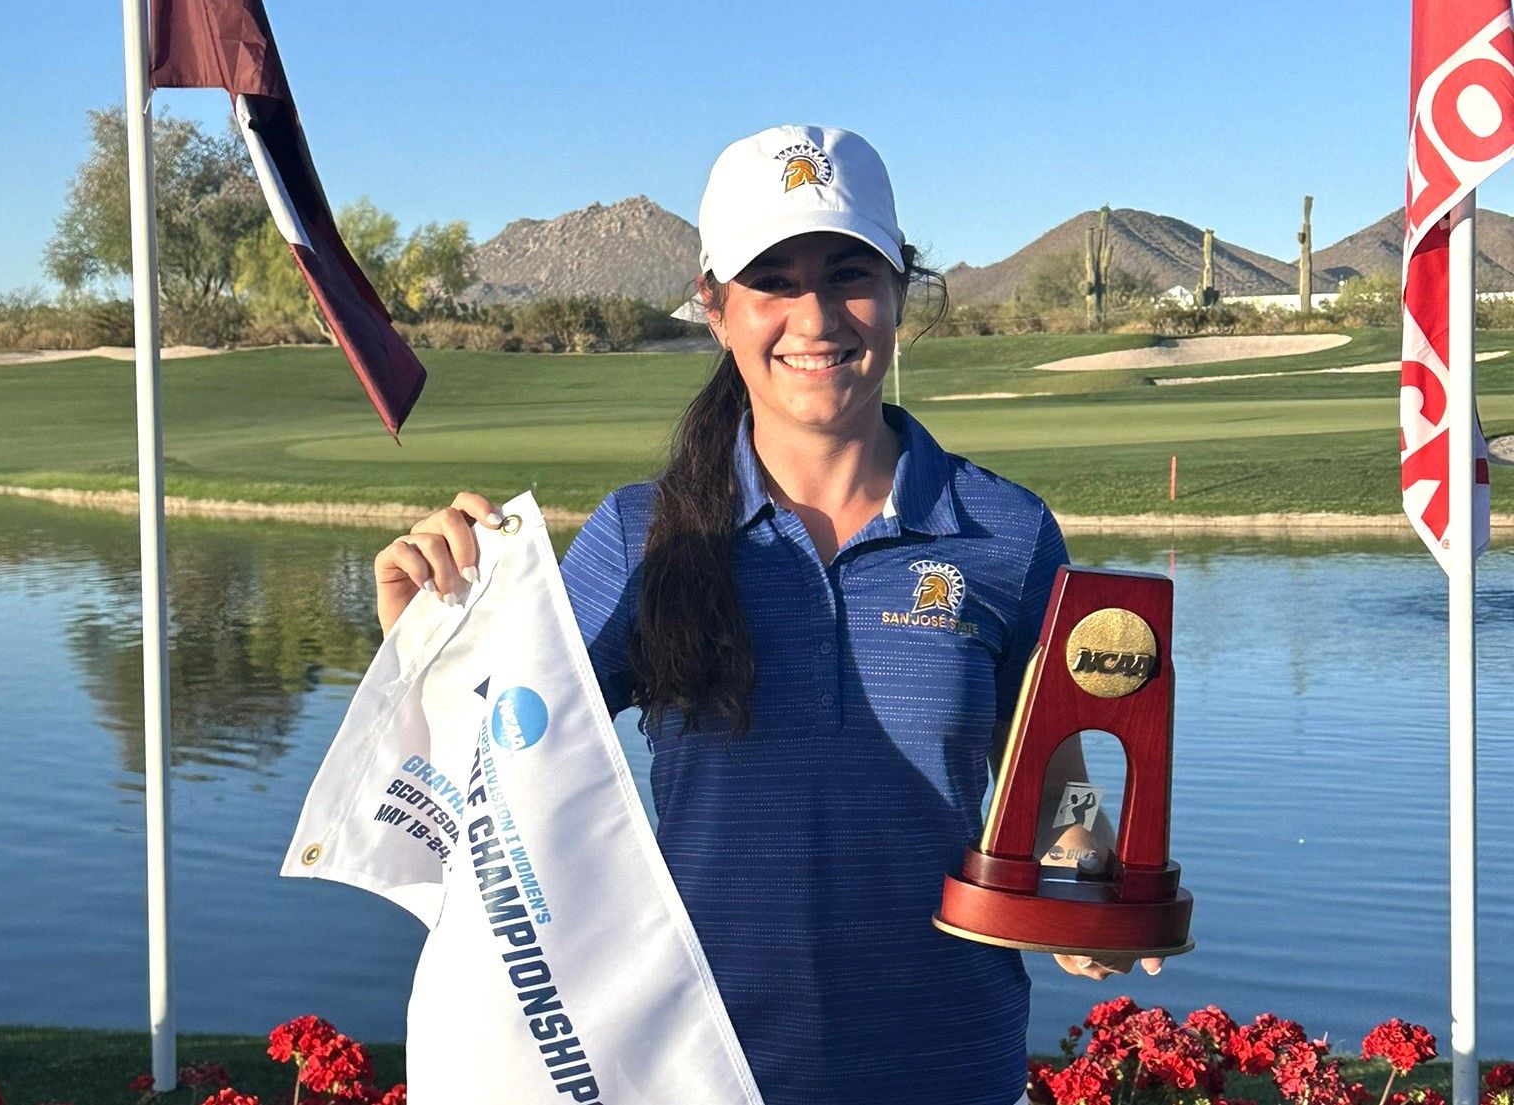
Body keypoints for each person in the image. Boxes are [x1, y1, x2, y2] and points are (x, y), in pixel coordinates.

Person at [373, 124, 1158, 1105]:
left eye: (849, 272)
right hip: (701, 1075)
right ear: (714, 305)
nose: (817, 316)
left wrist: (1082, 881)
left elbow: (1061, 779)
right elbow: (500, 778)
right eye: (773, 280)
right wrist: (423, 646)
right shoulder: (644, 535)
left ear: (901, 290)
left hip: (949, 1067)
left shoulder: (1005, 532)